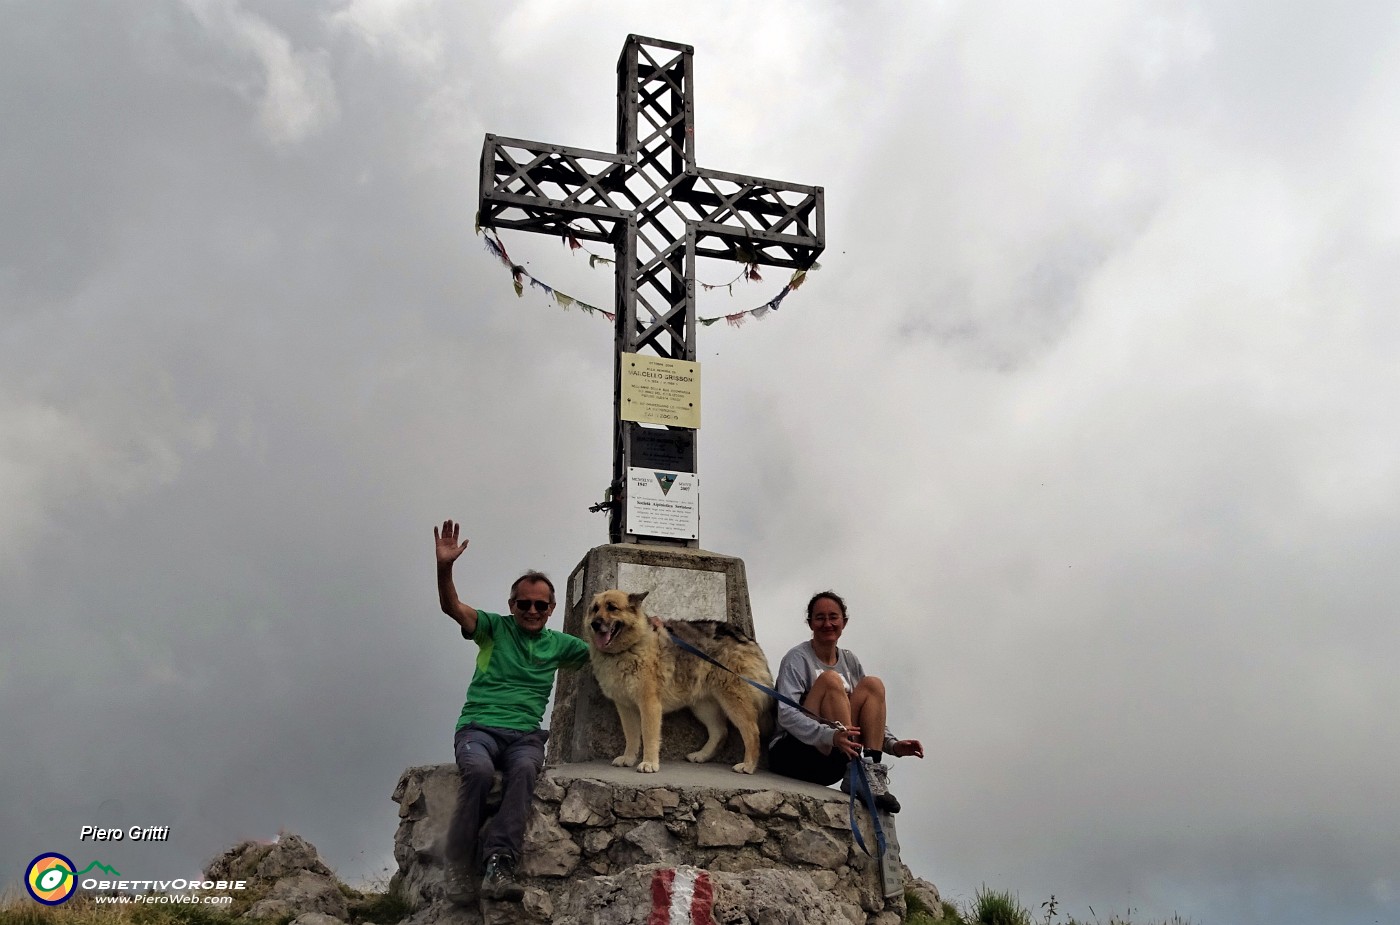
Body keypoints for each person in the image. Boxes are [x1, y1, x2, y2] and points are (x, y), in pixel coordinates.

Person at [433, 519, 590, 903]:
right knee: (479, 772)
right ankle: (456, 865)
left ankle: (499, 865)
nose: (532, 610)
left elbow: (608, 647)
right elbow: (452, 606)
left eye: (540, 605)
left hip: (525, 736)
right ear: (511, 605)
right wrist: (445, 567)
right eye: (524, 603)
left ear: (552, 609)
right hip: (478, 729)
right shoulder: (492, 628)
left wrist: (654, 627)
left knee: (523, 772)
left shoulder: (562, 645)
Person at [768, 590, 924, 813]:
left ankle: (868, 770)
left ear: (844, 622)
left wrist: (893, 745)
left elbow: (867, 713)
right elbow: (785, 714)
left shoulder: (850, 660)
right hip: (796, 754)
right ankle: (857, 770)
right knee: (831, 680)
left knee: (873, 684)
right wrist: (830, 735)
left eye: (833, 617)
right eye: (820, 618)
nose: (827, 623)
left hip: (837, 760)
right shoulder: (797, 658)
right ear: (810, 623)